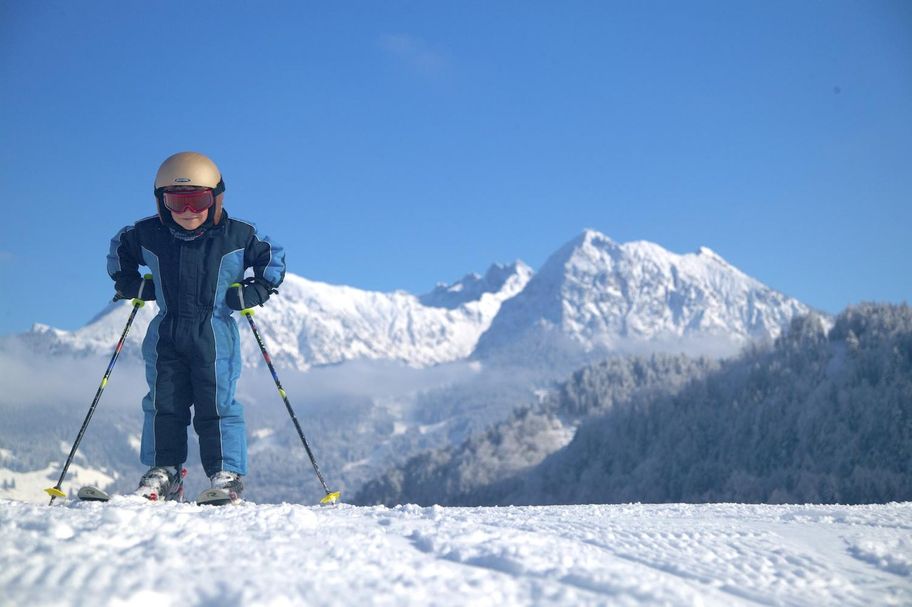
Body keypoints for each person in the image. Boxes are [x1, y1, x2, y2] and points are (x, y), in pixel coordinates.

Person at [107, 151, 285, 501]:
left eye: (198, 201)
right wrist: (131, 285)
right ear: (161, 202)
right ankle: (165, 472)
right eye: (177, 202)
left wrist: (257, 291)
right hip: (166, 334)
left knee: (216, 403)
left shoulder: (237, 235)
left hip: (214, 334)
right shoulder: (149, 234)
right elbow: (119, 250)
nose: (188, 212)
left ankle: (226, 474)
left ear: (216, 198)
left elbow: (272, 257)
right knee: (163, 402)